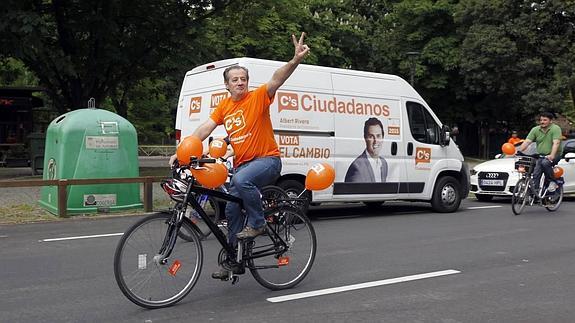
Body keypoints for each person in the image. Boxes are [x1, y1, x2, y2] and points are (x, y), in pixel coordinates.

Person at [170, 32, 310, 279]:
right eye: (234, 79)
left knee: (239, 180)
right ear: (227, 85)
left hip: (267, 160)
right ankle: (235, 260)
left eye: (243, 79)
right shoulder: (225, 106)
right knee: (232, 210)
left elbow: (276, 79)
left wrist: (294, 61)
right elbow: (205, 129)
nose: (240, 82)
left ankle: (257, 223)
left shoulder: (257, 97)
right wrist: (181, 150)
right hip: (245, 164)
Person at [517, 111, 562, 197]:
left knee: (545, 163)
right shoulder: (535, 129)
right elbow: (527, 141)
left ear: (551, 121)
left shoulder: (555, 129)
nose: (542, 122)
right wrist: (519, 151)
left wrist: (552, 155)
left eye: (545, 120)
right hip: (541, 155)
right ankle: (535, 193)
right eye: (541, 120)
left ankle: (553, 182)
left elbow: (556, 143)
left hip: (555, 154)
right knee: (536, 173)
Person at [344, 117, 388, 182]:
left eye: (378, 136)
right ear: (365, 138)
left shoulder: (383, 163)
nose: (376, 141)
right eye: (371, 136)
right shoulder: (357, 167)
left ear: (383, 137)